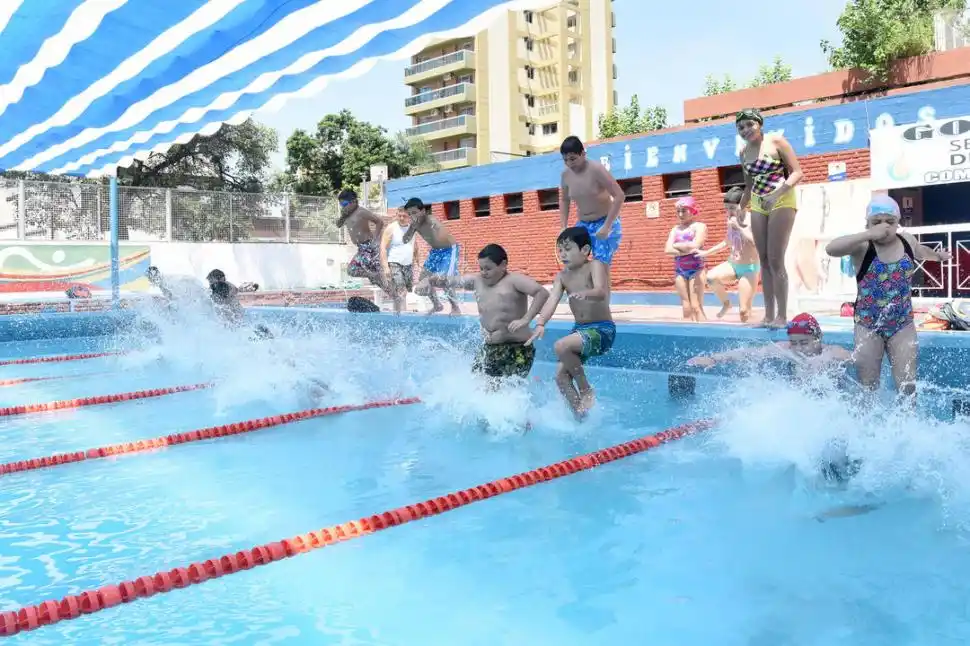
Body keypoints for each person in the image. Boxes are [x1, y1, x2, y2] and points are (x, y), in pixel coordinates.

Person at [824, 195, 949, 401]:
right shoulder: (863, 247)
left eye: (890, 222)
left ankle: (906, 426)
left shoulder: (907, 240)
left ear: (898, 222)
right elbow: (832, 249)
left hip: (902, 325)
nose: (884, 227)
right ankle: (869, 428)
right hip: (868, 325)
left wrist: (937, 256)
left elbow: (920, 251)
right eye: (877, 222)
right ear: (868, 223)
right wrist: (866, 234)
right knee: (867, 388)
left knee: (907, 387)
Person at [421, 244, 550, 386]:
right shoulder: (477, 281)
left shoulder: (514, 281)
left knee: (505, 391)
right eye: (481, 268)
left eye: (488, 268)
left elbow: (542, 293)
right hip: (489, 349)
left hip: (517, 349)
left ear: (503, 265)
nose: (483, 272)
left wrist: (526, 319)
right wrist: (429, 280)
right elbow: (450, 280)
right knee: (476, 386)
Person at [527, 227, 615, 419]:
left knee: (561, 346)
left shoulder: (595, 266)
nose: (562, 254)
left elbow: (601, 291)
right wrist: (541, 322)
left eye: (567, 249)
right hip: (581, 331)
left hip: (601, 330)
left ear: (584, 250)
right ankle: (580, 418)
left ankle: (585, 390)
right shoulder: (562, 276)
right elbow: (552, 300)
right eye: (560, 250)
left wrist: (586, 293)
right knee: (560, 377)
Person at [736, 108, 804, 329]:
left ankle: (782, 316)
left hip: (782, 198)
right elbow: (749, 185)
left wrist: (776, 194)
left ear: (759, 124)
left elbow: (797, 172)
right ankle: (768, 316)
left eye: (749, 124)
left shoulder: (776, 141)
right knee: (763, 260)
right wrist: (741, 206)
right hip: (758, 201)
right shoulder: (744, 152)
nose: (745, 130)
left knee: (775, 259)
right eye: (741, 127)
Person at [687, 313, 853, 374]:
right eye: (794, 343)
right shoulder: (786, 349)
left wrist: (823, 361)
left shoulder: (829, 350)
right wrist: (715, 359)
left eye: (804, 342)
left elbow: (850, 357)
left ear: (819, 338)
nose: (799, 348)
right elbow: (750, 353)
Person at [558, 136, 625, 273]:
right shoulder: (566, 175)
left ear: (583, 154)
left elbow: (619, 196)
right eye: (565, 160)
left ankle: (603, 294)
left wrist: (607, 226)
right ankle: (582, 293)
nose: (570, 163)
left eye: (573, 159)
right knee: (575, 261)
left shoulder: (596, 169)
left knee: (600, 267)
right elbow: (565, 200)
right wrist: (563, 226)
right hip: (583, 224)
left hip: (605, 222)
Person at [699, 186, 760, 322]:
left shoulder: (753, 220)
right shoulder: (730, 222)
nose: (729, 212)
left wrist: (739, 227)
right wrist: (706, 253)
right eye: (726, 208)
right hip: (732, 264)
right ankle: (726, 304)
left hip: (749, 269)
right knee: (711, 277)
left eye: (732, 208)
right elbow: (726, 242)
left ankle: (749, 336)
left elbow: (757, 243)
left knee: (744, 310)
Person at [401, 197, 462, 315]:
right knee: (422, 280)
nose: (412, 216)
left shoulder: (431, 220)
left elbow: (440, 229)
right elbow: (405, 240)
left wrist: (438, 233)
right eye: (409, 214)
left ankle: (455, 308)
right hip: (435, 252)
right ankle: (437, 304)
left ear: (423, 211)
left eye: (414, 212)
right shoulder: (414, 225)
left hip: (449, 250)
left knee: (445, 280)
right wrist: (410, 229)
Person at [665, 196, 708, 321]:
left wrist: (676, 246)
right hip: (680, 271)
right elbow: (667, 250)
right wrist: (687, 249)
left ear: (692, 210)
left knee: (696, 306)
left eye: (684, 210)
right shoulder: (675, 229)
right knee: (686, 307)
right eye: (678, 211)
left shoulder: (699, 226)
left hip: (697, 269)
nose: (680, 214)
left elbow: (696, 245)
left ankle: (705, 334)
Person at [336, 189, 386, 289]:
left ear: (354, 201)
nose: (343, 207)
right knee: (378, 281)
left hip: (369, 247)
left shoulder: (361, 212)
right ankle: (395, 296)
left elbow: (379, 221)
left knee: (352, 270)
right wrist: (343, 216)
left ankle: (376, 276)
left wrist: (375, 240)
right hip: (361, 249)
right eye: (341, 205)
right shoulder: (346, 215)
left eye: (345, 204)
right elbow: (338, 225)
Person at [380, 207, 417, 314]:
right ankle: (401, 316)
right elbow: (382, 247)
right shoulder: (391, 228)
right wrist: (386, 267)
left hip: (408, 264)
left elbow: (414, 244)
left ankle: (398, 313)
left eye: (404, 216)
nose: (401, 218)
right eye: (399, 215)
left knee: (404, 292)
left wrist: (416, 258)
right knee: (401, 289)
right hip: (394, 263)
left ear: (409, 216)